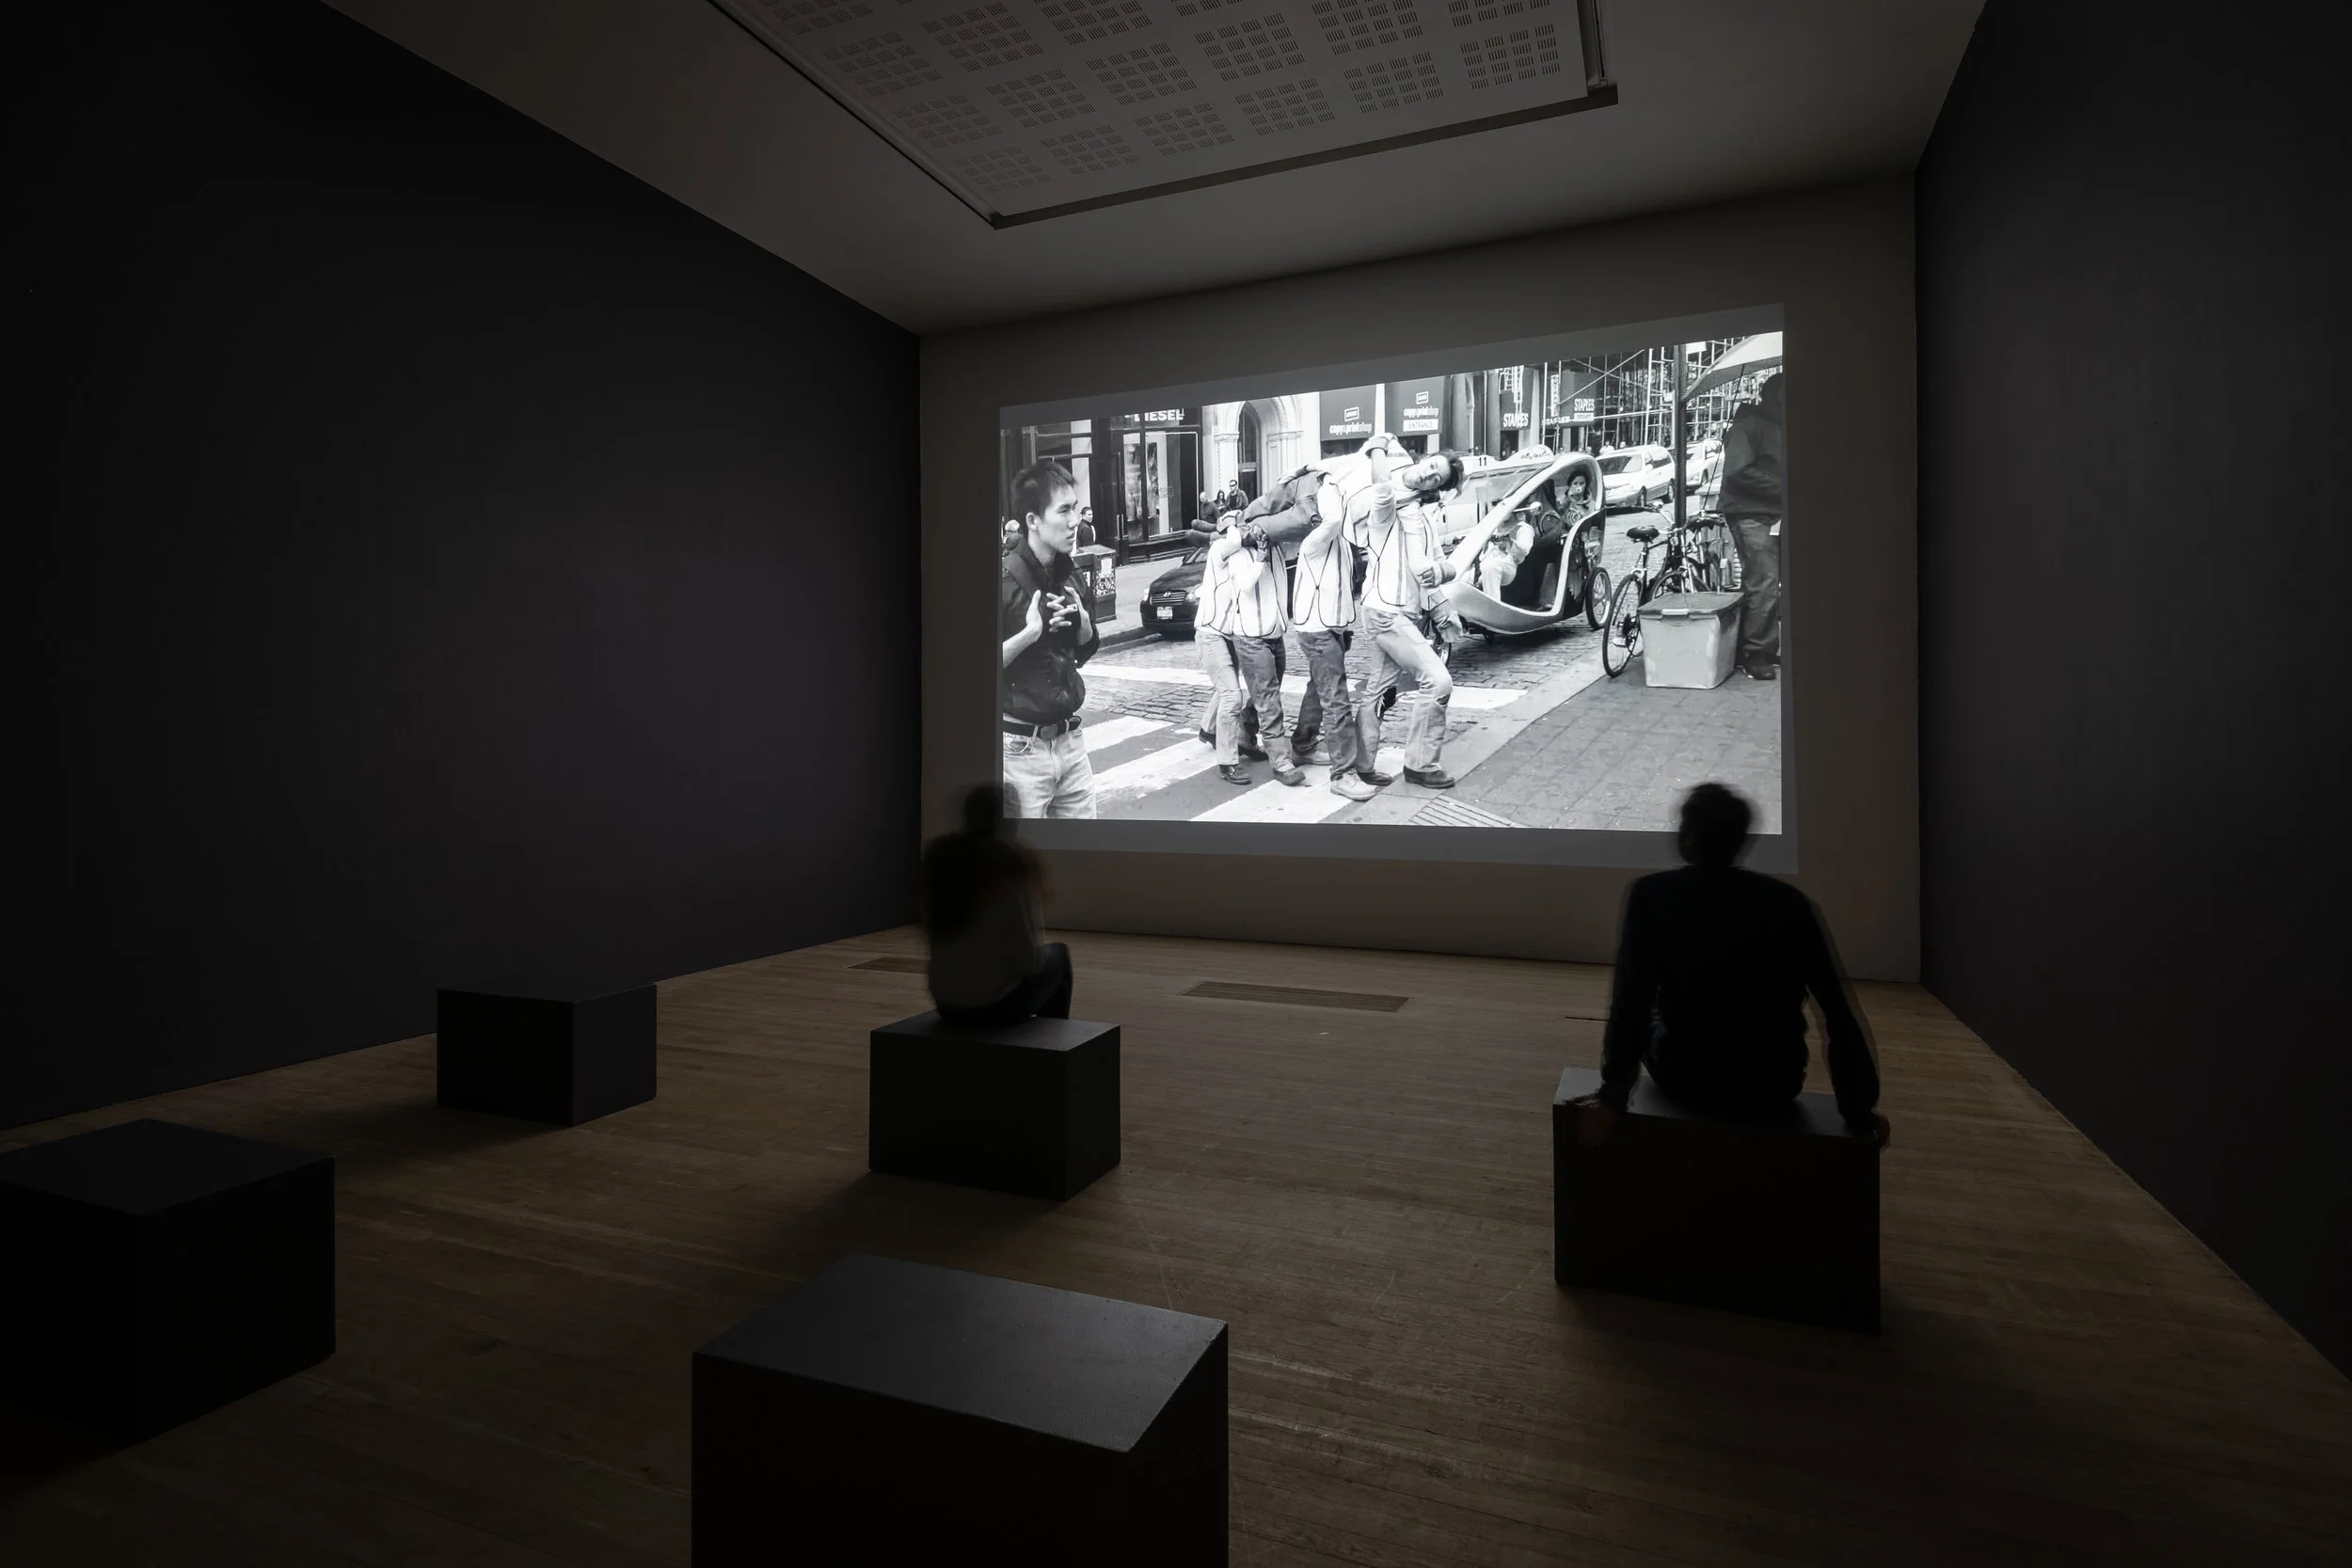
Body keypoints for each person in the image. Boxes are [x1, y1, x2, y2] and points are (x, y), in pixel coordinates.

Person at [1572, 784, 1889, 1148]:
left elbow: (1631, 1001)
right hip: (1775, 1083)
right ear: (1742, 838)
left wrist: (1612, 1094)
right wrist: (1859, 1109)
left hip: (1685, 1077)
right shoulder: (1790, 903)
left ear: (1688, 836)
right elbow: (1836, 1011)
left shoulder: (1652, 895)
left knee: (1652, 1011)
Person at [1356, 442, 1466, 790]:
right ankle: (1421, 764)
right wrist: (1377, 446)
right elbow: (1381, 485)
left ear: (1436, 489)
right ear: (1424, 459)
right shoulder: (1390, 500)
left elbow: (1441, 565)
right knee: (1438, 680)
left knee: (1378, 689)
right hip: (1385, 611)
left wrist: (1440, 582)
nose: (1429, 475)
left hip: (1400, 612)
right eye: (1431, 466)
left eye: (1437, 479)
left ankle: (1362, 764)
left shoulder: (1422, 516)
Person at [923, 784, 1073, 1025]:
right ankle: (1051, 1042)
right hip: (993, 1006)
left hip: (946, 1004)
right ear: (1009, 819)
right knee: (1059, 955)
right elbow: (1031, 963)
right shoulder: (1013, 868)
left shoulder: (942, 861)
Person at [998, 460, 1099, 817]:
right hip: (1019, 751)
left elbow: (1085, 649)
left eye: (1076, 508)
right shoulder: (1002, 582)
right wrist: (1029, 634)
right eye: (1064, 510)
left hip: (1071, 744)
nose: (1075, 521)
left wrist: (1081, 622)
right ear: (1033, 520)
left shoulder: (1070, 574)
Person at [1718, 372, 1786, 680]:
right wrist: (1784, 487)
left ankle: (1759, 647)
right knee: (1764, 581)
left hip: (1768, 512)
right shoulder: (1749, 425)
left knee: (1765, 581)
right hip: (1751, 513)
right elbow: (1737, 471)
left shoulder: (1773, 424)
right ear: (1772, 397)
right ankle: (1756, 653)